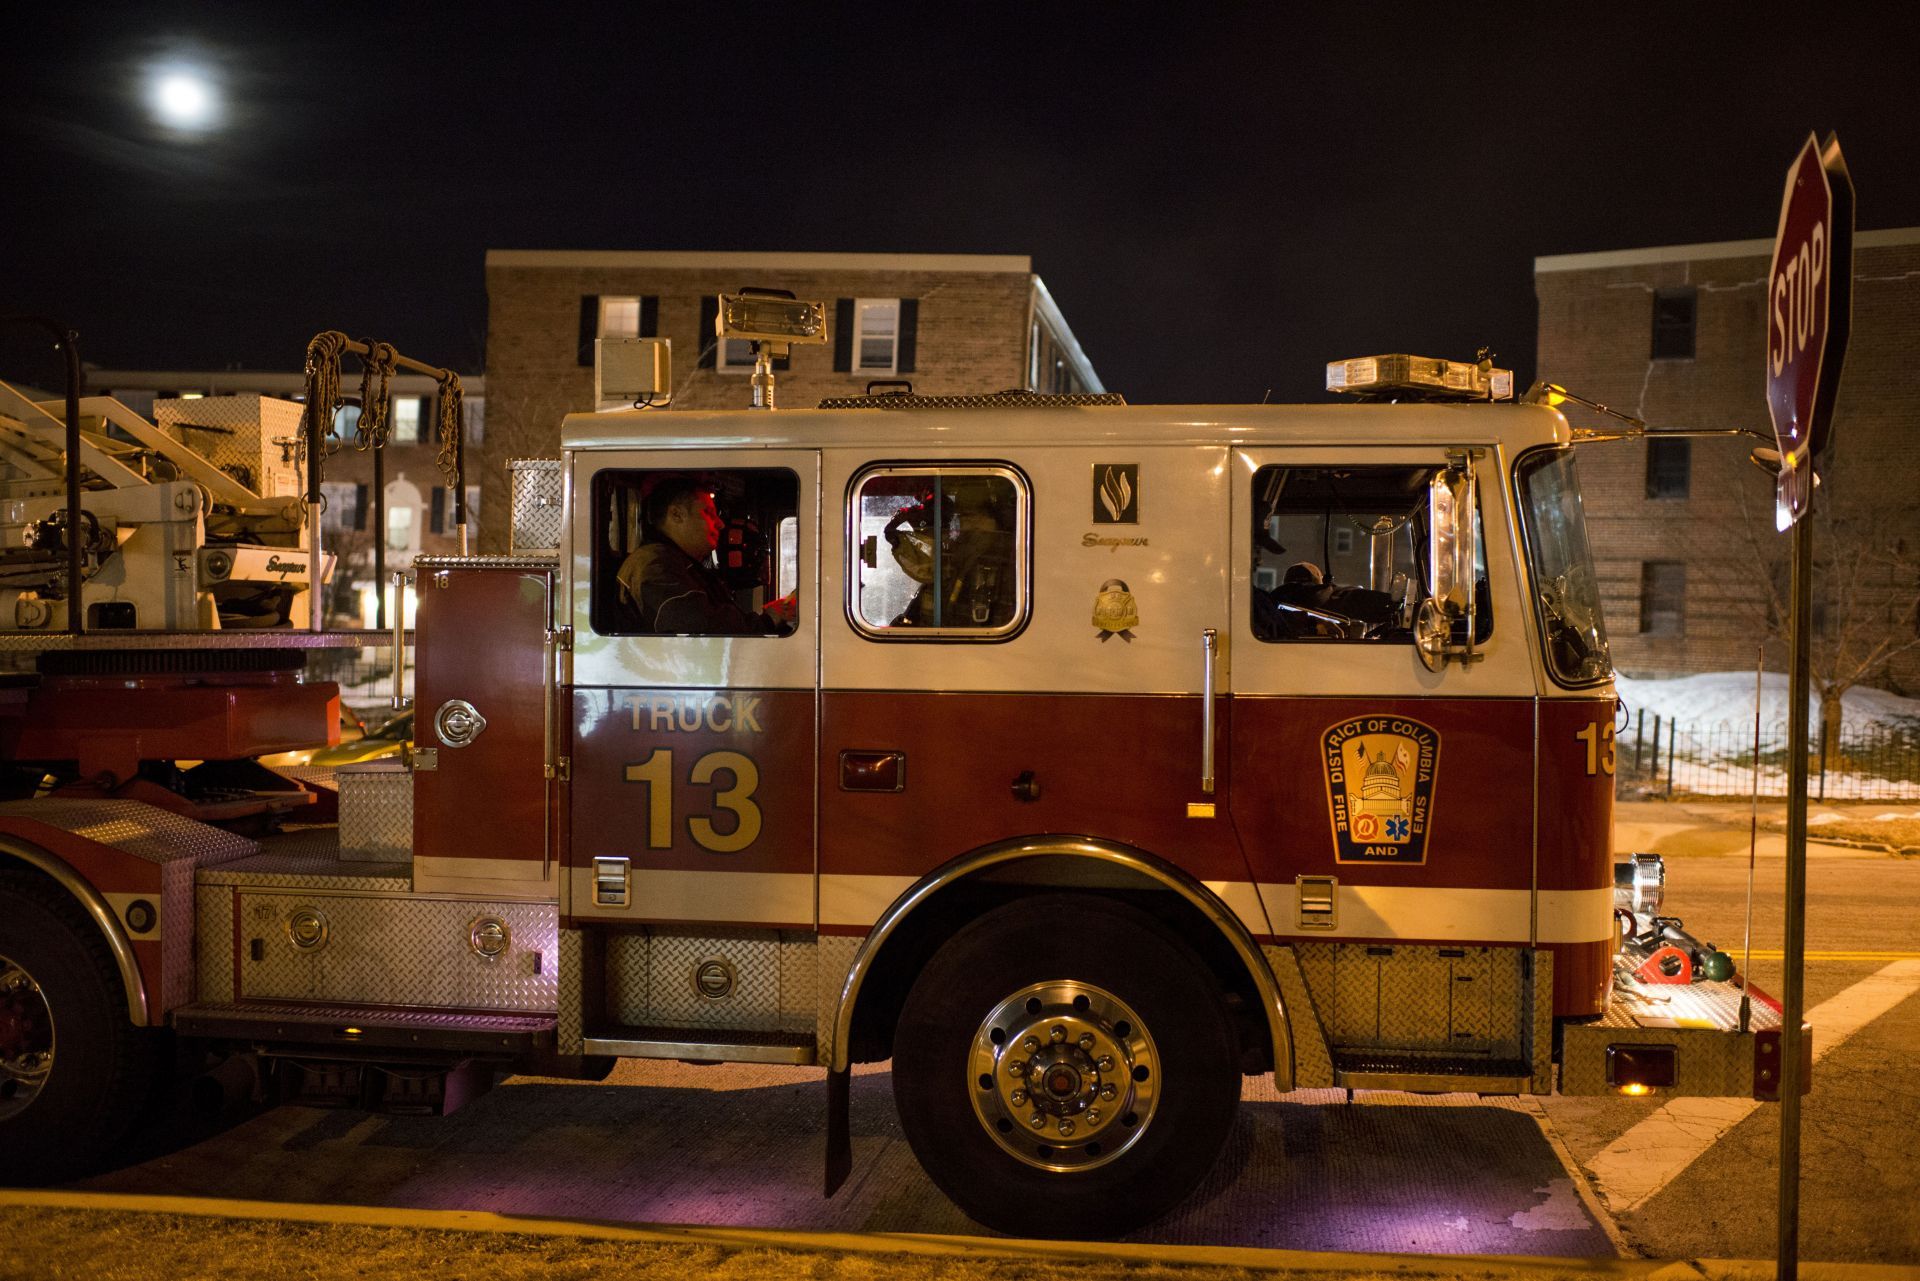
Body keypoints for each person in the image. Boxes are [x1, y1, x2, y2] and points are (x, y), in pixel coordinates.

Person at [615, 476, 796, 635]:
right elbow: (703, 633)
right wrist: (769, 620)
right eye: (708, 513)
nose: (719, 524)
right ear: (676, 515)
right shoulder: (653, 566)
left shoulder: (676, 563)